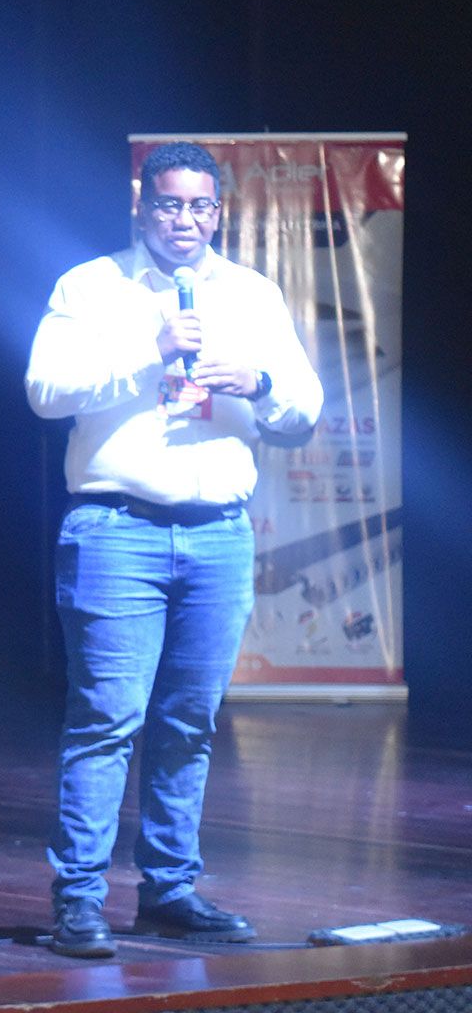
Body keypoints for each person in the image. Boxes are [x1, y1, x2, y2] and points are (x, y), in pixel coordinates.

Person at [24, 142, 322, 958]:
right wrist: (148, 350)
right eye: (167, 204)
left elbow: (304, 408)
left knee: (190, 721)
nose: (183, 220)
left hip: (220, 534)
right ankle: (78, 901)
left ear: (218, 211)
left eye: (198, 206)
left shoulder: (253, 294)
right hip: (117, 529)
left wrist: (258, 382)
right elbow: (45, 391)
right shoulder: (92, 286)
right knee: (106, 720)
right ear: (141, 206)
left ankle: (168, 891)